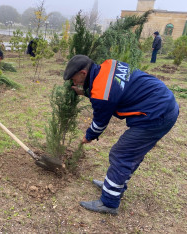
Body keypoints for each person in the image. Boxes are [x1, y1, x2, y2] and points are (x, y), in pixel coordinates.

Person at [63, 55, 179, 215]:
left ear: (83, 73)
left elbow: (100, 121)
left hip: (156, 114)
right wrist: (86, 93)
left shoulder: (102, 93)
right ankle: (113, 187)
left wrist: (88, 136)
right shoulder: (109, 65)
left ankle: (109, 202)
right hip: (163, 102)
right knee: (130, 154)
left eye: (73, 78)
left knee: (122, 154)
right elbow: (112, 92)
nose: (72, 82)